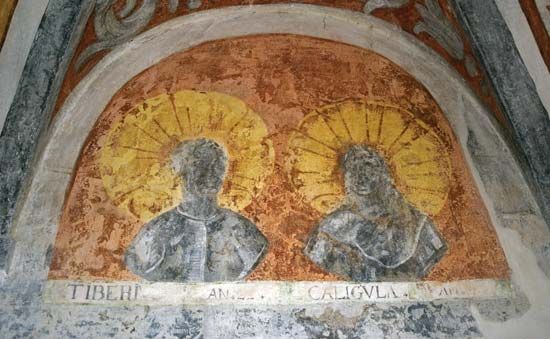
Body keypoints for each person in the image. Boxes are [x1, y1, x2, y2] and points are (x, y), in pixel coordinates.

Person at [125, 138, 268, 282]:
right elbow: (140, 263)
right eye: (202, 166)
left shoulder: (242, 229)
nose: (211, 175)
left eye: (217, 167)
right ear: (181, 173)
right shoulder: (157, 229)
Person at [304, 145, 447, 281]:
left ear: (383, 173)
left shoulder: (417, 223)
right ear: (346, 177)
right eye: (352, 168)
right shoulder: (333, 226)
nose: (360, 174)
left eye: (368, 166)